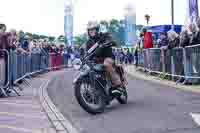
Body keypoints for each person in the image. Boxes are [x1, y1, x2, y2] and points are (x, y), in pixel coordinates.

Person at [85, 21, 126, 96]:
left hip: (108, 57)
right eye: (90, 30)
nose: (91, 31)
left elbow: (111, 39)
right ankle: (97, 89)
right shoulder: (88, 42)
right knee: (89, 70)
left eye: (93, 29)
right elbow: (87, 52)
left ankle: (118, 85)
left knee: (107, 64)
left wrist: (110, 41)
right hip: (97, 61)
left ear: (97, 30)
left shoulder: (103, 36)